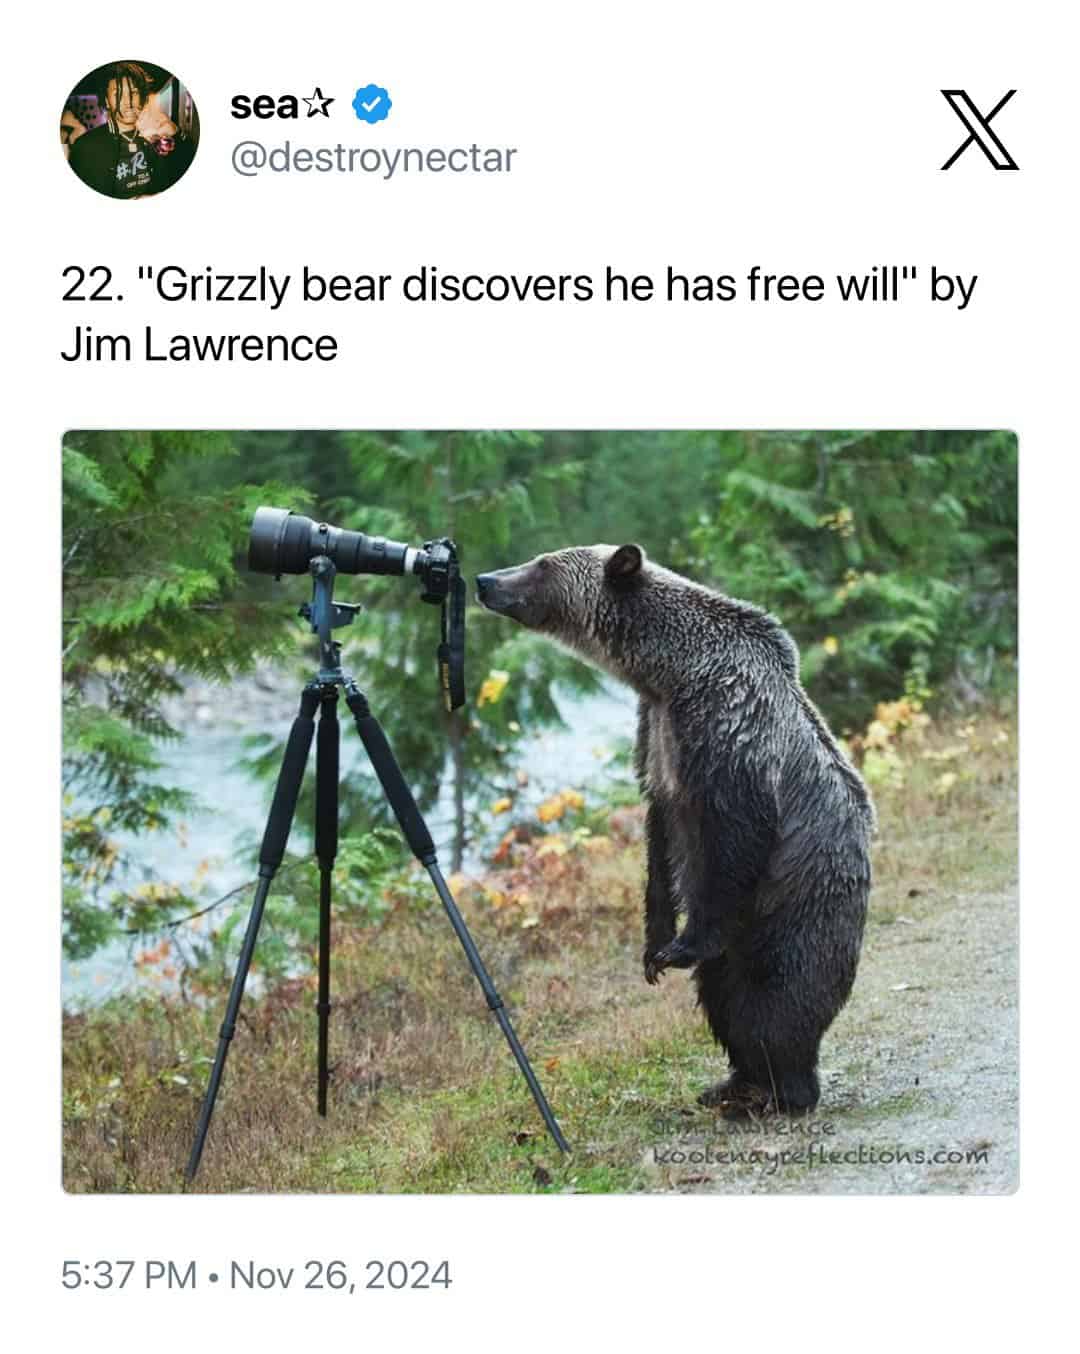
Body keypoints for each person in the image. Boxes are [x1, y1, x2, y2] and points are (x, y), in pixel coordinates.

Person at [67, 62, 195, 199]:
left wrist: (175, 132)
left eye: (134, 92)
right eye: (118, 95)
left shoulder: (155, 135)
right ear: (107, 101)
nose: (128, 102)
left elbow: (184, 167)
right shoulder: (85, 147)